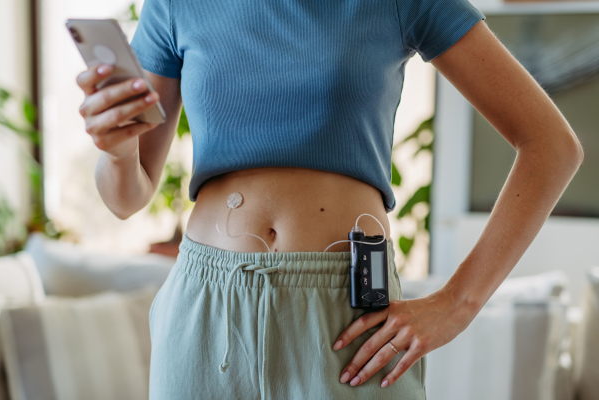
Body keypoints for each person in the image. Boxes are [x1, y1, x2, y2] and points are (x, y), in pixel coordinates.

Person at [74, 0, 584, 398]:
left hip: (349, 315)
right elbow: (125, 197)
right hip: (207, 310)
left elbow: (551, 147)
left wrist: (458, 304)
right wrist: (118, 154)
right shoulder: (178, 3)